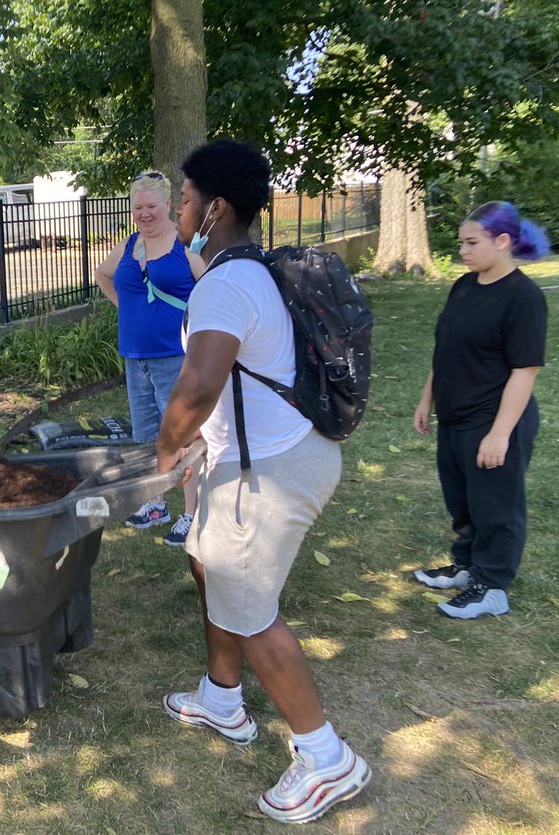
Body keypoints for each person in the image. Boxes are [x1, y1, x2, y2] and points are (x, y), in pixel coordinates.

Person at [155, 140, 370, 824]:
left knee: (251, 610)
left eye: (186, 197)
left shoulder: (226, 283)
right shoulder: (247, 273)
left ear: (215, 207)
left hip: (270, 473)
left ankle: (327, 759)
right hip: (253, 462)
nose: (179, 207)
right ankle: (223, 698)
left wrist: (164, 452)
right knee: (205, 558)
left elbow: (196, 388)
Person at [411, 201, 549, 619]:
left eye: (472, 243)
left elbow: (524, 372)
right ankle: (468, 566)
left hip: (493, 419)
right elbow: (446, 347)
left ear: (502, 241)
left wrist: (500, 433)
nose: (463, 252)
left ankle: (492, 586)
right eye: (461, 243)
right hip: (456, 416)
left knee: (496, 507)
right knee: (463, 500)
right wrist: (427, 398)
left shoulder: (524, 298)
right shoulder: (465, 285)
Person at [94, 170, 205, 545]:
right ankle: (154, 503)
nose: (144, 214)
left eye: (151, 206)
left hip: (175, 357)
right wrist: (127, 308)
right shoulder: (128, 246)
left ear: (168, 205)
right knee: (146, 437)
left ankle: (192, 513)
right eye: (138, 207)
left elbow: (211, 290)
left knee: (184, 435)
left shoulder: (185, 246)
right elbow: (103, 275)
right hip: (135, 357)